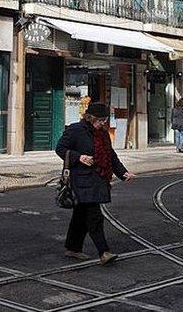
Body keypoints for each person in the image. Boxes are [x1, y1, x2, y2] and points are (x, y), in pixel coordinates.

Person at [56, 102, 136, 266]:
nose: (103, 124)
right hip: (81, 180)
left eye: (105, 120)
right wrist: (79, 157)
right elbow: (60, 148)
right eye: (100, 120)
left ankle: (72, 248)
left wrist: (123, 173)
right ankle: (104, 251)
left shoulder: (104, 134)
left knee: (80, 216)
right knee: (94, 216)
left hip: (97, 180)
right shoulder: (76, 130)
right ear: (90, 118)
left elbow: (111, 156)